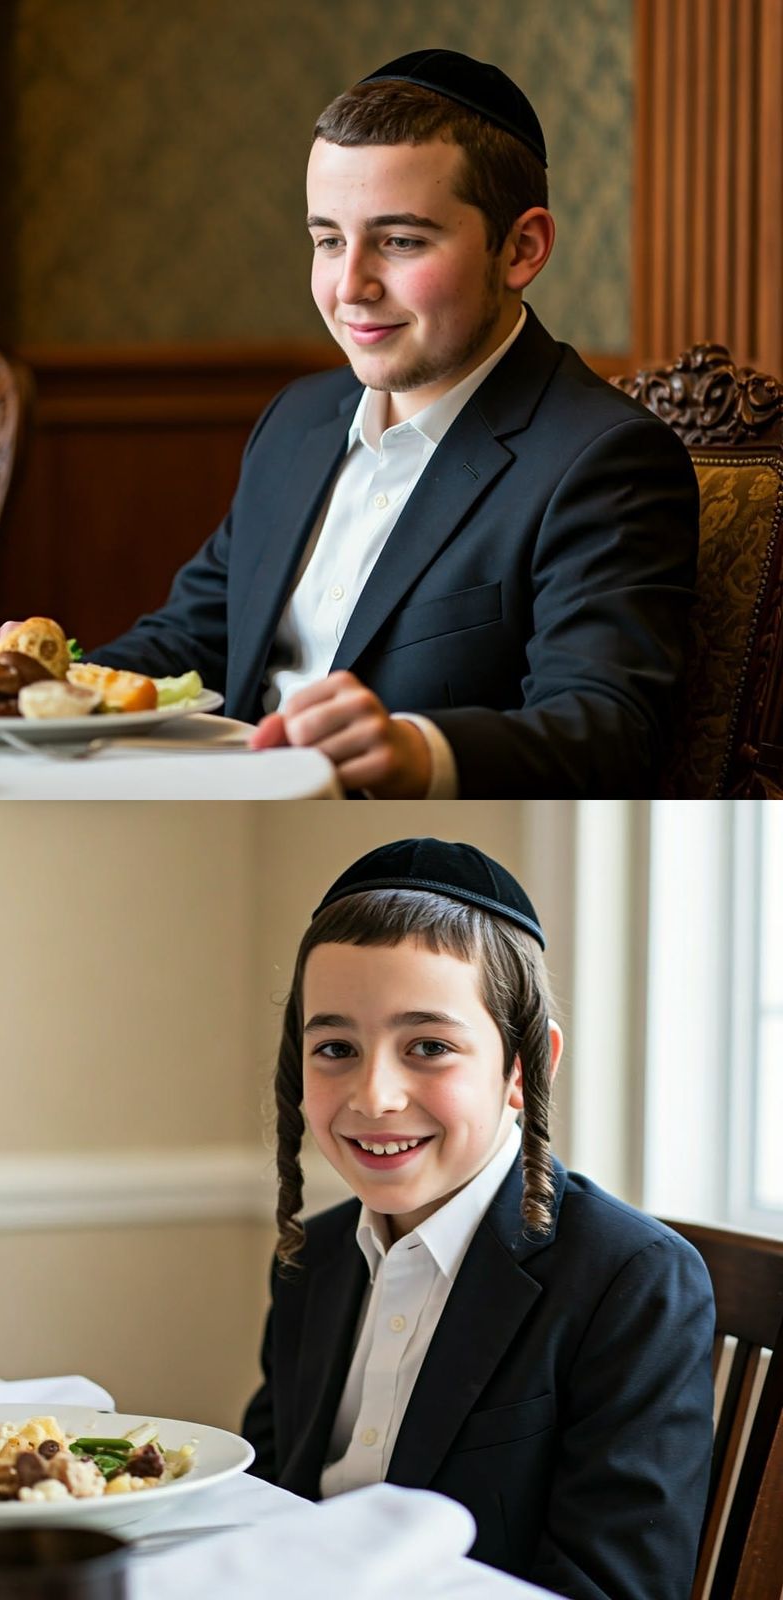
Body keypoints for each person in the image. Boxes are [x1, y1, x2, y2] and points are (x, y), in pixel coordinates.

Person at [87, 51, 699, 798]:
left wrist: (417, 751)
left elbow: (606, 733)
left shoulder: (605, 460)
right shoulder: (296, 419)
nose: (350, 287)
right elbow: (189, 641)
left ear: (522, 248)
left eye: (401, 241)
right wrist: (37, 676)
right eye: (328, 240)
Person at [241, 838, 714, 1599]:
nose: (374, 1096)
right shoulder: (313, 1256)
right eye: (335, 1047)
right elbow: (263, 1502)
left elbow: (616, 1585)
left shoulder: (632, 1282)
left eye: (428, 1045)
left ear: (525, 1067)